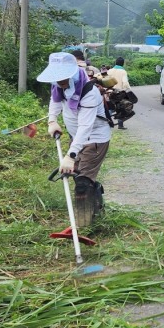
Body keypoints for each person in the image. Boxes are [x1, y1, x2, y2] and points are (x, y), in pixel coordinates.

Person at [37, 52, 110, 229]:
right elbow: (55, 101)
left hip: (94, 139)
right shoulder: (58, 85)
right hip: (76, 137)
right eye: (57, 77)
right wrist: (52, 120)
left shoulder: (89, 92)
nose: (60, 81)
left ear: (73, 72)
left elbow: (85, 127)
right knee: (80, 179)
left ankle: (84, 227)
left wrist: (70, 156)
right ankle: (96, 207)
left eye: (63, 76)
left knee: (82, 184)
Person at [110, 57, 131, 129]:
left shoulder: (110, 71)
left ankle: (105, 121)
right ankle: (120, 125)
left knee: (110, 107)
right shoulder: (123, 72)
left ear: (115, 62)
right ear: (123, 63)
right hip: (120, 92)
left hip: (110, 92)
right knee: (121, 108)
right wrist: (128, 91)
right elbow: (125, 83)